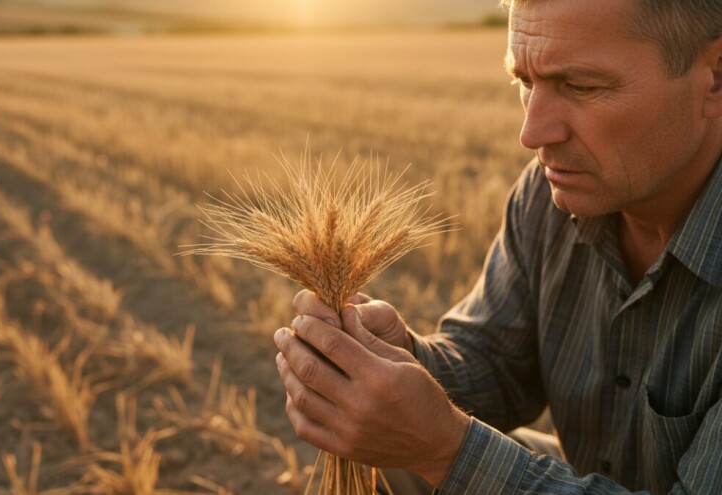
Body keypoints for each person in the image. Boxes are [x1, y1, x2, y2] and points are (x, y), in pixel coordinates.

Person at [273, 0, 722, 492]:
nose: (531, 134)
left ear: (715, 77)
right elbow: (496, 363)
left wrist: (445, 449)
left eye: (581, 86)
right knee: (386, 453)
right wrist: (402, 360)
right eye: (525, 82)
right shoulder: (549, 195)